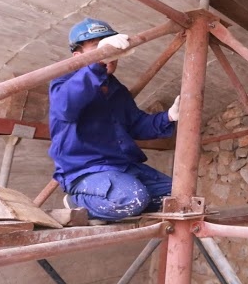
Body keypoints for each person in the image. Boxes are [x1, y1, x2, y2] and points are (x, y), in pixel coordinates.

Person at [48, 18, 180, 221]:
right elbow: (67, 107)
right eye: (97, 47)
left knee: (181, 197)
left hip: (124, 169)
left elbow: (136, 125)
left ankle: (123, 203)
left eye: (110, 47)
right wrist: (98, 62)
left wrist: (169, 116)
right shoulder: (63, 84)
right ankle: (77, 201)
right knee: (132, 199)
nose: (109, 53)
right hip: (86, 171)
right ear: (78, 56)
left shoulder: (117, 90)